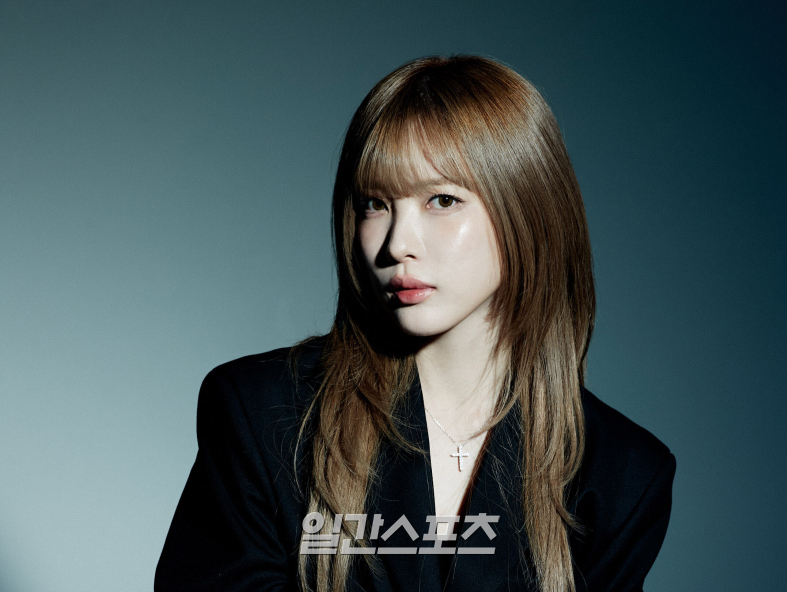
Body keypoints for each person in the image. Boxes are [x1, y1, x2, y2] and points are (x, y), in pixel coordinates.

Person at [155, 55, 676, 592]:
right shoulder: (265, 414)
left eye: (442, 200)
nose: (397, 244)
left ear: (527, 210)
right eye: (374, 204)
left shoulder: (621, 473)